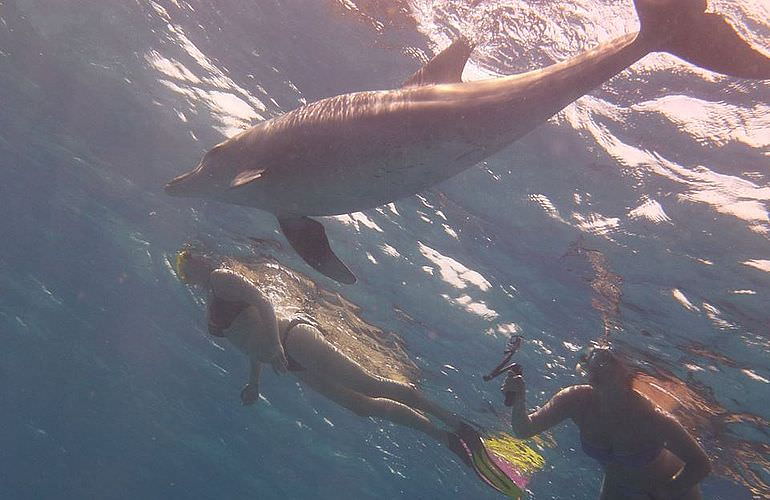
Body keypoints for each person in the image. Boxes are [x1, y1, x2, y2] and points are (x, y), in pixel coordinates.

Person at [173, 248, 486, 469]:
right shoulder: (210, 307)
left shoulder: (221, 277)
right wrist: (253, 381)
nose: (195, 264)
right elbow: (248, 346)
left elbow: (264, 301)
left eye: (194, 258)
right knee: (362, 406)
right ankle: (445, 439)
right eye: (187, 265)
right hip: (285, 359)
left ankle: (457, 424)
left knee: (370, 384)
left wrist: (275, 346)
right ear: (187, 277)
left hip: (290, 338)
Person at [501, 345, 711, 499]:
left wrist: (666, 493)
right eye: (593, 358)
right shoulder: (575, 400)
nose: (595, 363)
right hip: (617, 489)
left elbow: (701, 465)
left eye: (606, 360)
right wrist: (519, 399)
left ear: (626, 370)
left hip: (671, 493)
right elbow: (524, 430)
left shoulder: (651, 418)